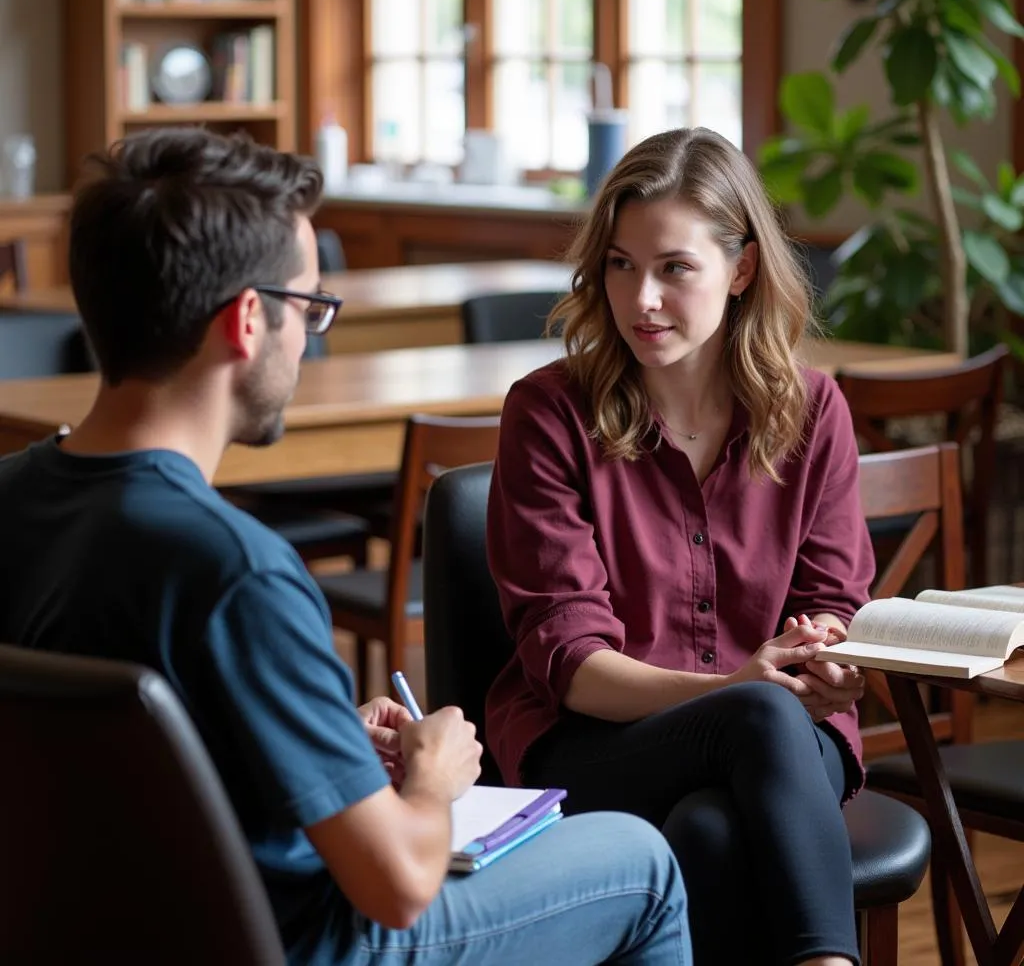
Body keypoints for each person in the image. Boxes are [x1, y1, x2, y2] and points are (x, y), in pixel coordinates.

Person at [0, 127, 693, 966]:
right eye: (310, 308)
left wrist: (319, 736)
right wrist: (435, 775)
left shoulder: (15, 495)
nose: (307, 336)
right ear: (249, 321)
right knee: (641, 861)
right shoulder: (238, 574)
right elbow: (398, 886)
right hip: (298, 942)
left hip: (93, 932)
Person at [486, 126, 875, 966]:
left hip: (786, 737)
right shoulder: (549, 414)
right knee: (755, 716)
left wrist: (831, 655)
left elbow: (836, 604)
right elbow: (570, 662)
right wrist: (732, 686)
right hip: (598, 742)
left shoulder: (816, 413)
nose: (642, 299)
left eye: (674, 268)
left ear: (740, 271)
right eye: (621, 265)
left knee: (712, 822)